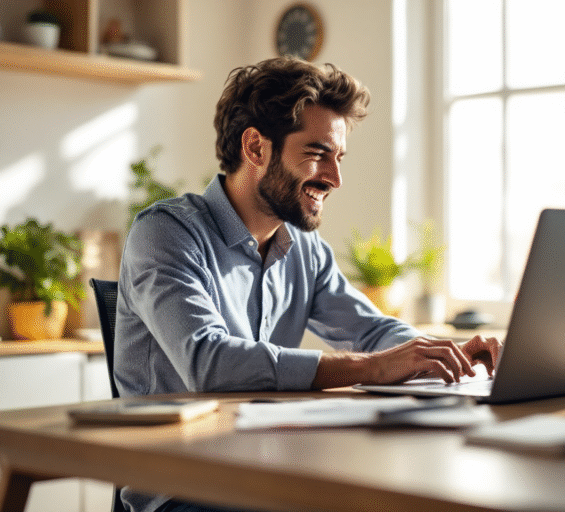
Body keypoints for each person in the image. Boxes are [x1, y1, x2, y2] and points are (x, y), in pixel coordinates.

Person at [115, 57, 501, 512]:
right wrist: (371, 367)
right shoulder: (166, 233)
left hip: (272, 472)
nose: (335, 179)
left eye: (338, 158)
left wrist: (441, 353)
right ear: (256, 147)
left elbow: (374, 331)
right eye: (318, 154)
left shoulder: (302, 247)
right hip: (184, 489)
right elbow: (209, 362)